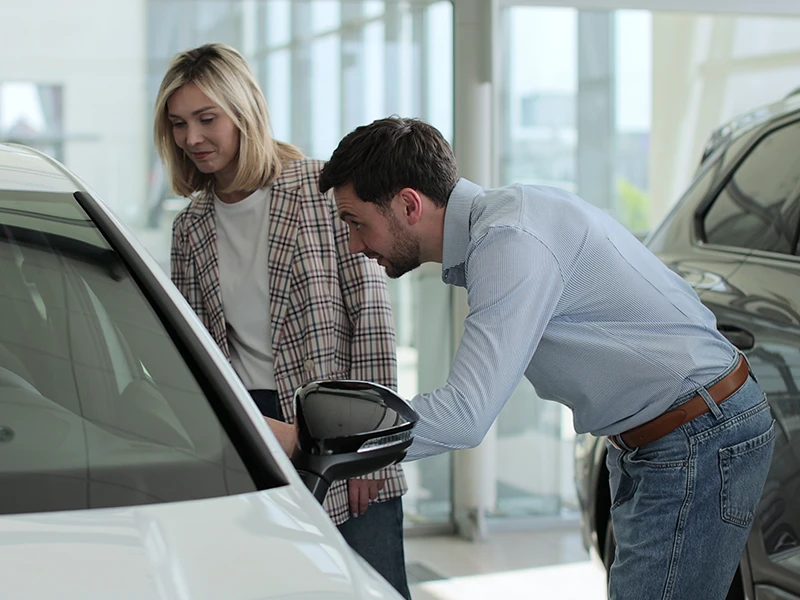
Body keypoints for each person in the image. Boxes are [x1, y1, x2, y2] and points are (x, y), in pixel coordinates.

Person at [316, 116, 776, 600]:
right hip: (664, 434)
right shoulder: (505, 224)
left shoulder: (510, 239)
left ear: (409, 205)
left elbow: (464, 417)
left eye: (356, 223)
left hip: (695, 434)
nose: (354, 244)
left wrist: (316, 439)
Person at [152, 44, 410, 598]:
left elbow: (371, 322)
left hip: (336, 423)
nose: (191, 138)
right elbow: (199, 354)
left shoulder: (320, 190)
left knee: (372, 582)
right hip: (249, 428)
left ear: (244, 111)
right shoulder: (190, 226)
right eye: (178, 123)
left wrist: (371, 456)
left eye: (206, 118)